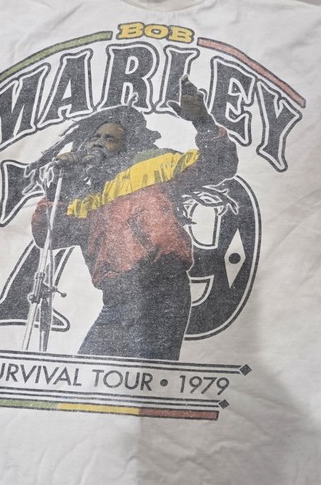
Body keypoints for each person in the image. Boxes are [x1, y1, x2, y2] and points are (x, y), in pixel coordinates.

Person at [31, 77, 238, 360]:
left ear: (128, 145)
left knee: (148, 377)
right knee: (87, 374)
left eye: (110, 138)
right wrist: (60, 187)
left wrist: (203, 123)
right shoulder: (84, 197)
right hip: (116, 300)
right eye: (95, 137)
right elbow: (48, 236)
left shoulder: (155, 166)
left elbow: (218, 165)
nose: (99, 142)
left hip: (161, 290)